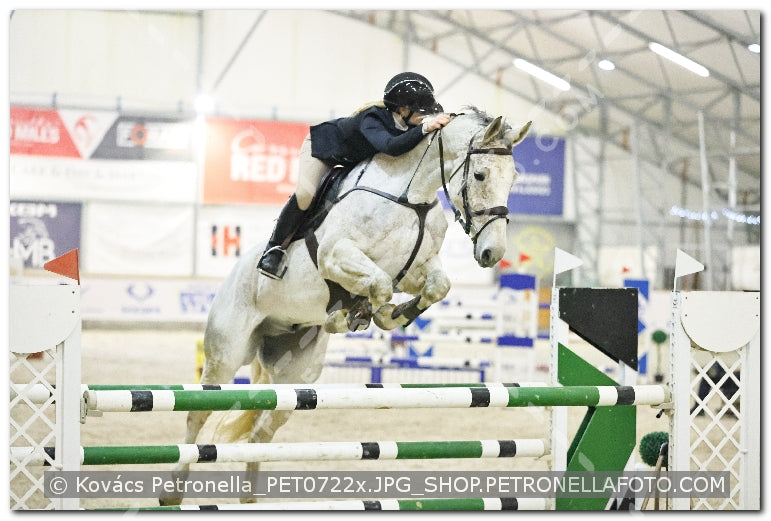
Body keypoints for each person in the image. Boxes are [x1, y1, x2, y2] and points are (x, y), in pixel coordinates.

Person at [257, 72, 452, 280]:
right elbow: (391, 147)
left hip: (354, 159)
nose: (425, 118)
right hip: (324, 149)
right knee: (306, 194)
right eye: (421, 114)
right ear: (403, 109)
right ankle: (274, 250)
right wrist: (424, 128)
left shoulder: (409, 124)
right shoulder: (373, 118)